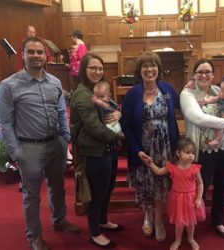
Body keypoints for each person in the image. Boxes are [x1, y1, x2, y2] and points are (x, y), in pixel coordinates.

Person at [0, 37, 81, 250]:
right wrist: (16, 153)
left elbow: (62, 111)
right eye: (31, 52)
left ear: (46, 56)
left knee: (58, 188)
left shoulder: (54, 82)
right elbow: (5, 123)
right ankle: (34, 236)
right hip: (29, 148)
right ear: (23, 55)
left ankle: (59, 219)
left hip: (56, 144)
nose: (36, 56)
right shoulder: (9, 86)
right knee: (32, 196)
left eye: (39, 52)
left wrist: (65, 137)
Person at [180, 58, 224, 239]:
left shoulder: (218, 91)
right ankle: (190, 221)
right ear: (194, 74)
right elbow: (197, 117)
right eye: (200, 72)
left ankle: (218, 220)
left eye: (208, 72)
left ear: (213, 75)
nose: (204, 75)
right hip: (204, 150)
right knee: (200, 187)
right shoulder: (188, 94)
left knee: (222, 185)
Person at [121, 51, 180, 242]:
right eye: (145, 66)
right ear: (140, 71)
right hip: (143, 148)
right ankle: (147, 216)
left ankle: (158, 220)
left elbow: (187, 103)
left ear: (158, 69)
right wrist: (137, 150)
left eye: (153, 65)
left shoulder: (168, 90)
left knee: (160, 183)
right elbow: (127, 125)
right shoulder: (133, 94)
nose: (149, 69)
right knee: (145, 184)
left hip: (164, 147)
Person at [70, 53, 124, 249]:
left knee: (108, 188)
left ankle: (102, 220)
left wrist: (119, 112)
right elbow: (94, 127)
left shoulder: (97, 89)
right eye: (93, 68)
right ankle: (95, 232)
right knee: (98, 192)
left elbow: (113, 108)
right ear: (84, 69)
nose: (97, 71)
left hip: (107, 149)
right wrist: (119, 136)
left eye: (100, 68)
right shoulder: (83, 94)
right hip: (94, 151)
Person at [146, 138, 205, 250]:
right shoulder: (172, 166)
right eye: (187, 153)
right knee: (179, 222)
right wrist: (151, 164)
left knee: (191, 222)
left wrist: (198, 198)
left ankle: (191, 238)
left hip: (191, 198)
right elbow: (159, 171)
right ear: (178, 153)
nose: (191, 156)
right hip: (177, 198)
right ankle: (177, 240)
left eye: (193, 153)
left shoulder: (195, 168)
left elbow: (200, 184)